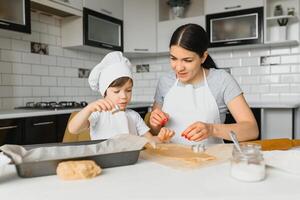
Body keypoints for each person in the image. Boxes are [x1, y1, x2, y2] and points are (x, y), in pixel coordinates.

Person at [149, 24, 259, 145]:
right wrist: (155, 123)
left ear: (203, 57)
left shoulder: (221, 80)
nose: (179, 67)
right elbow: (155, 132)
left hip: (211, 160)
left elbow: (251, 130)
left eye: (187, 60)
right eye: (173, 58)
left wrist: (212, 129)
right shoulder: (165, 81)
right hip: (170, 160)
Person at [68, 51, 174, 143]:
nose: (124, 96)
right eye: (116, 91)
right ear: (104, 92)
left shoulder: (134, 116)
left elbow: (150, 140)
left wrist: (160, 138)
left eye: (128, 90)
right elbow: (73, 129)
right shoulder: (98, 115)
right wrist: (89, 109)